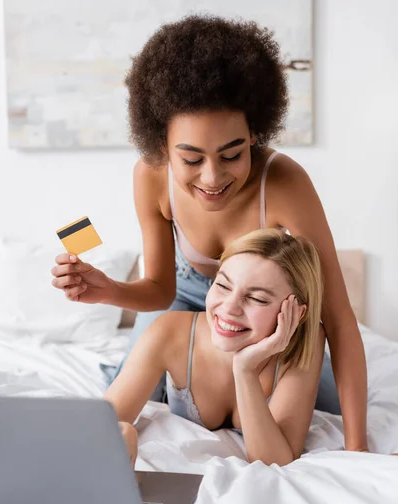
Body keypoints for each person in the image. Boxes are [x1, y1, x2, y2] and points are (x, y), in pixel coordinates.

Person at [51, 14, 368, 452]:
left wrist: (357, 447)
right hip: (181, 296)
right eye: (192, 158)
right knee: (143, 379)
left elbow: (336, 315)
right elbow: (161, 291)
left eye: (232, 153)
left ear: (255, 134)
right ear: (162, 147)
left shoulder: (284, 182)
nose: (213, 177)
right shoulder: (150, 177)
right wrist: (108, 290)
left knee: (326, 399)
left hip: (266, 307)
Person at [107, 229, 325, 467]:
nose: (230, 308)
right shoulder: (169, 331)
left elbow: (275, 461)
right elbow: (99, 427)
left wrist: (245, 370)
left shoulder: (306, 345)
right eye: (222, 285)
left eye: (257, 298)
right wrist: (123, 431)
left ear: (297, 313)